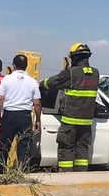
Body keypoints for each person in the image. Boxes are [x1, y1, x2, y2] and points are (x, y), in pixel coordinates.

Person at [40, 43, 99, 172]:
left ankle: (66, 176)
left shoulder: (71, 73)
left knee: (66, 148)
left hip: (70, 121)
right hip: (86, 122)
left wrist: (39, 84)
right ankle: (81, 176)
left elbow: (52, 83)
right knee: (82, 150)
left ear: (75, 57)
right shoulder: (95, 73)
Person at [0, 54, 41, 171]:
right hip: (25, 116)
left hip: (9, 115)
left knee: (4, 146)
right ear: (26, 66)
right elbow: (37, 103)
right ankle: (23, 171)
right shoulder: (32, 82)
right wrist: (38, 120)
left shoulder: (6, 79)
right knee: (24, 147)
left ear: (13, 66)